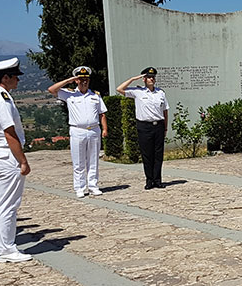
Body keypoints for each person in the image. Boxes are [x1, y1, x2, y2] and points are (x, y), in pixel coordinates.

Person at [0, 58, 33, 263]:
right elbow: (9, 132)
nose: (18, 81)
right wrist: (22, 160)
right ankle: (6, 249)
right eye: (15, 77)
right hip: (6, 154)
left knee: (2, 202)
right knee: (8, 204)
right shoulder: (1, 98)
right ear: (5, 78)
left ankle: (1, 244)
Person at [48, 66, 108, 198]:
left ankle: (93, 186)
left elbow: (102, 113)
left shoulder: (95, 95)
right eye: (81, 79)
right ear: (76, 80)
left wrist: (105, 129)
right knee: (78, 161)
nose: (84, 81)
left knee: (93, 160)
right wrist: (69, 80)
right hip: (77, 130)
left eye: (86, 79)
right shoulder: (69, 94)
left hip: (93, 130)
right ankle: (80, 188)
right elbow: (51, 89)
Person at [117, 67, 168, 189]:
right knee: (147, 154)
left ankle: (157, 180)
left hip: (158, 125)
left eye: (153, 77)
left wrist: (165, 128)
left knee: (158, 155)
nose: (152, 79)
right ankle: (149, 180)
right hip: (144, 126)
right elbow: (119, 89)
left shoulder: (161, 93)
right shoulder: (137, 92)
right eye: (149, 77)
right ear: (144, 79)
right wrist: (133, 79)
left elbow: (165, 111)